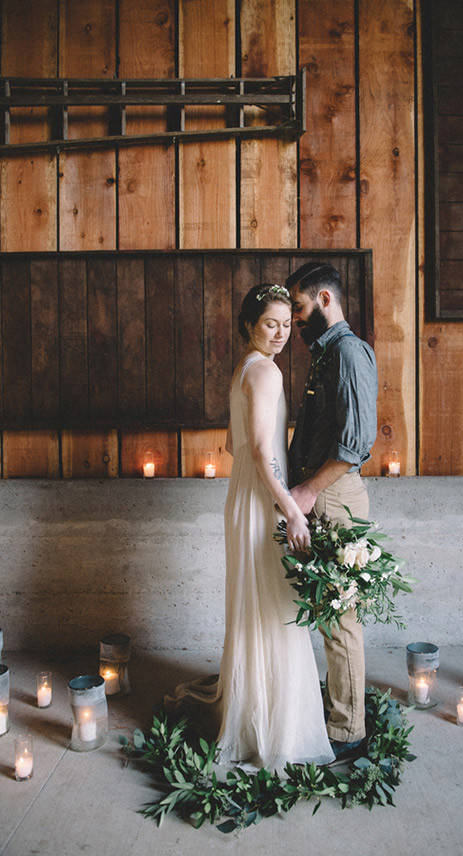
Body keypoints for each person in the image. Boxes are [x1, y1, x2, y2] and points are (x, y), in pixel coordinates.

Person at [165, 283, 334, 770]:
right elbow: (261, 451)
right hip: (264, 499)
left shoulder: (244, 367)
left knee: (258, 603)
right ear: (248, 325)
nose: (281, 333)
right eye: (270, 324)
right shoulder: (266, 373)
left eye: (288, 324)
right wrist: (291, 508)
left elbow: (231, 445)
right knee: (276, 608)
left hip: (243, 495)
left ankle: (255, 704)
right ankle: (272, 724)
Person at [286, 262, 378, 763]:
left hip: (336, 496)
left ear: (325, 299)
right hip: (325, 494)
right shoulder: (326, 354)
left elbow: (354, 444)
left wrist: (305, 493)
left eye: (299, 310)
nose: (295, 322)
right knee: (329, 614)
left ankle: (348, 732)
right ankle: (340, 712)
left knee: (341, 618)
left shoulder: (346, 353)